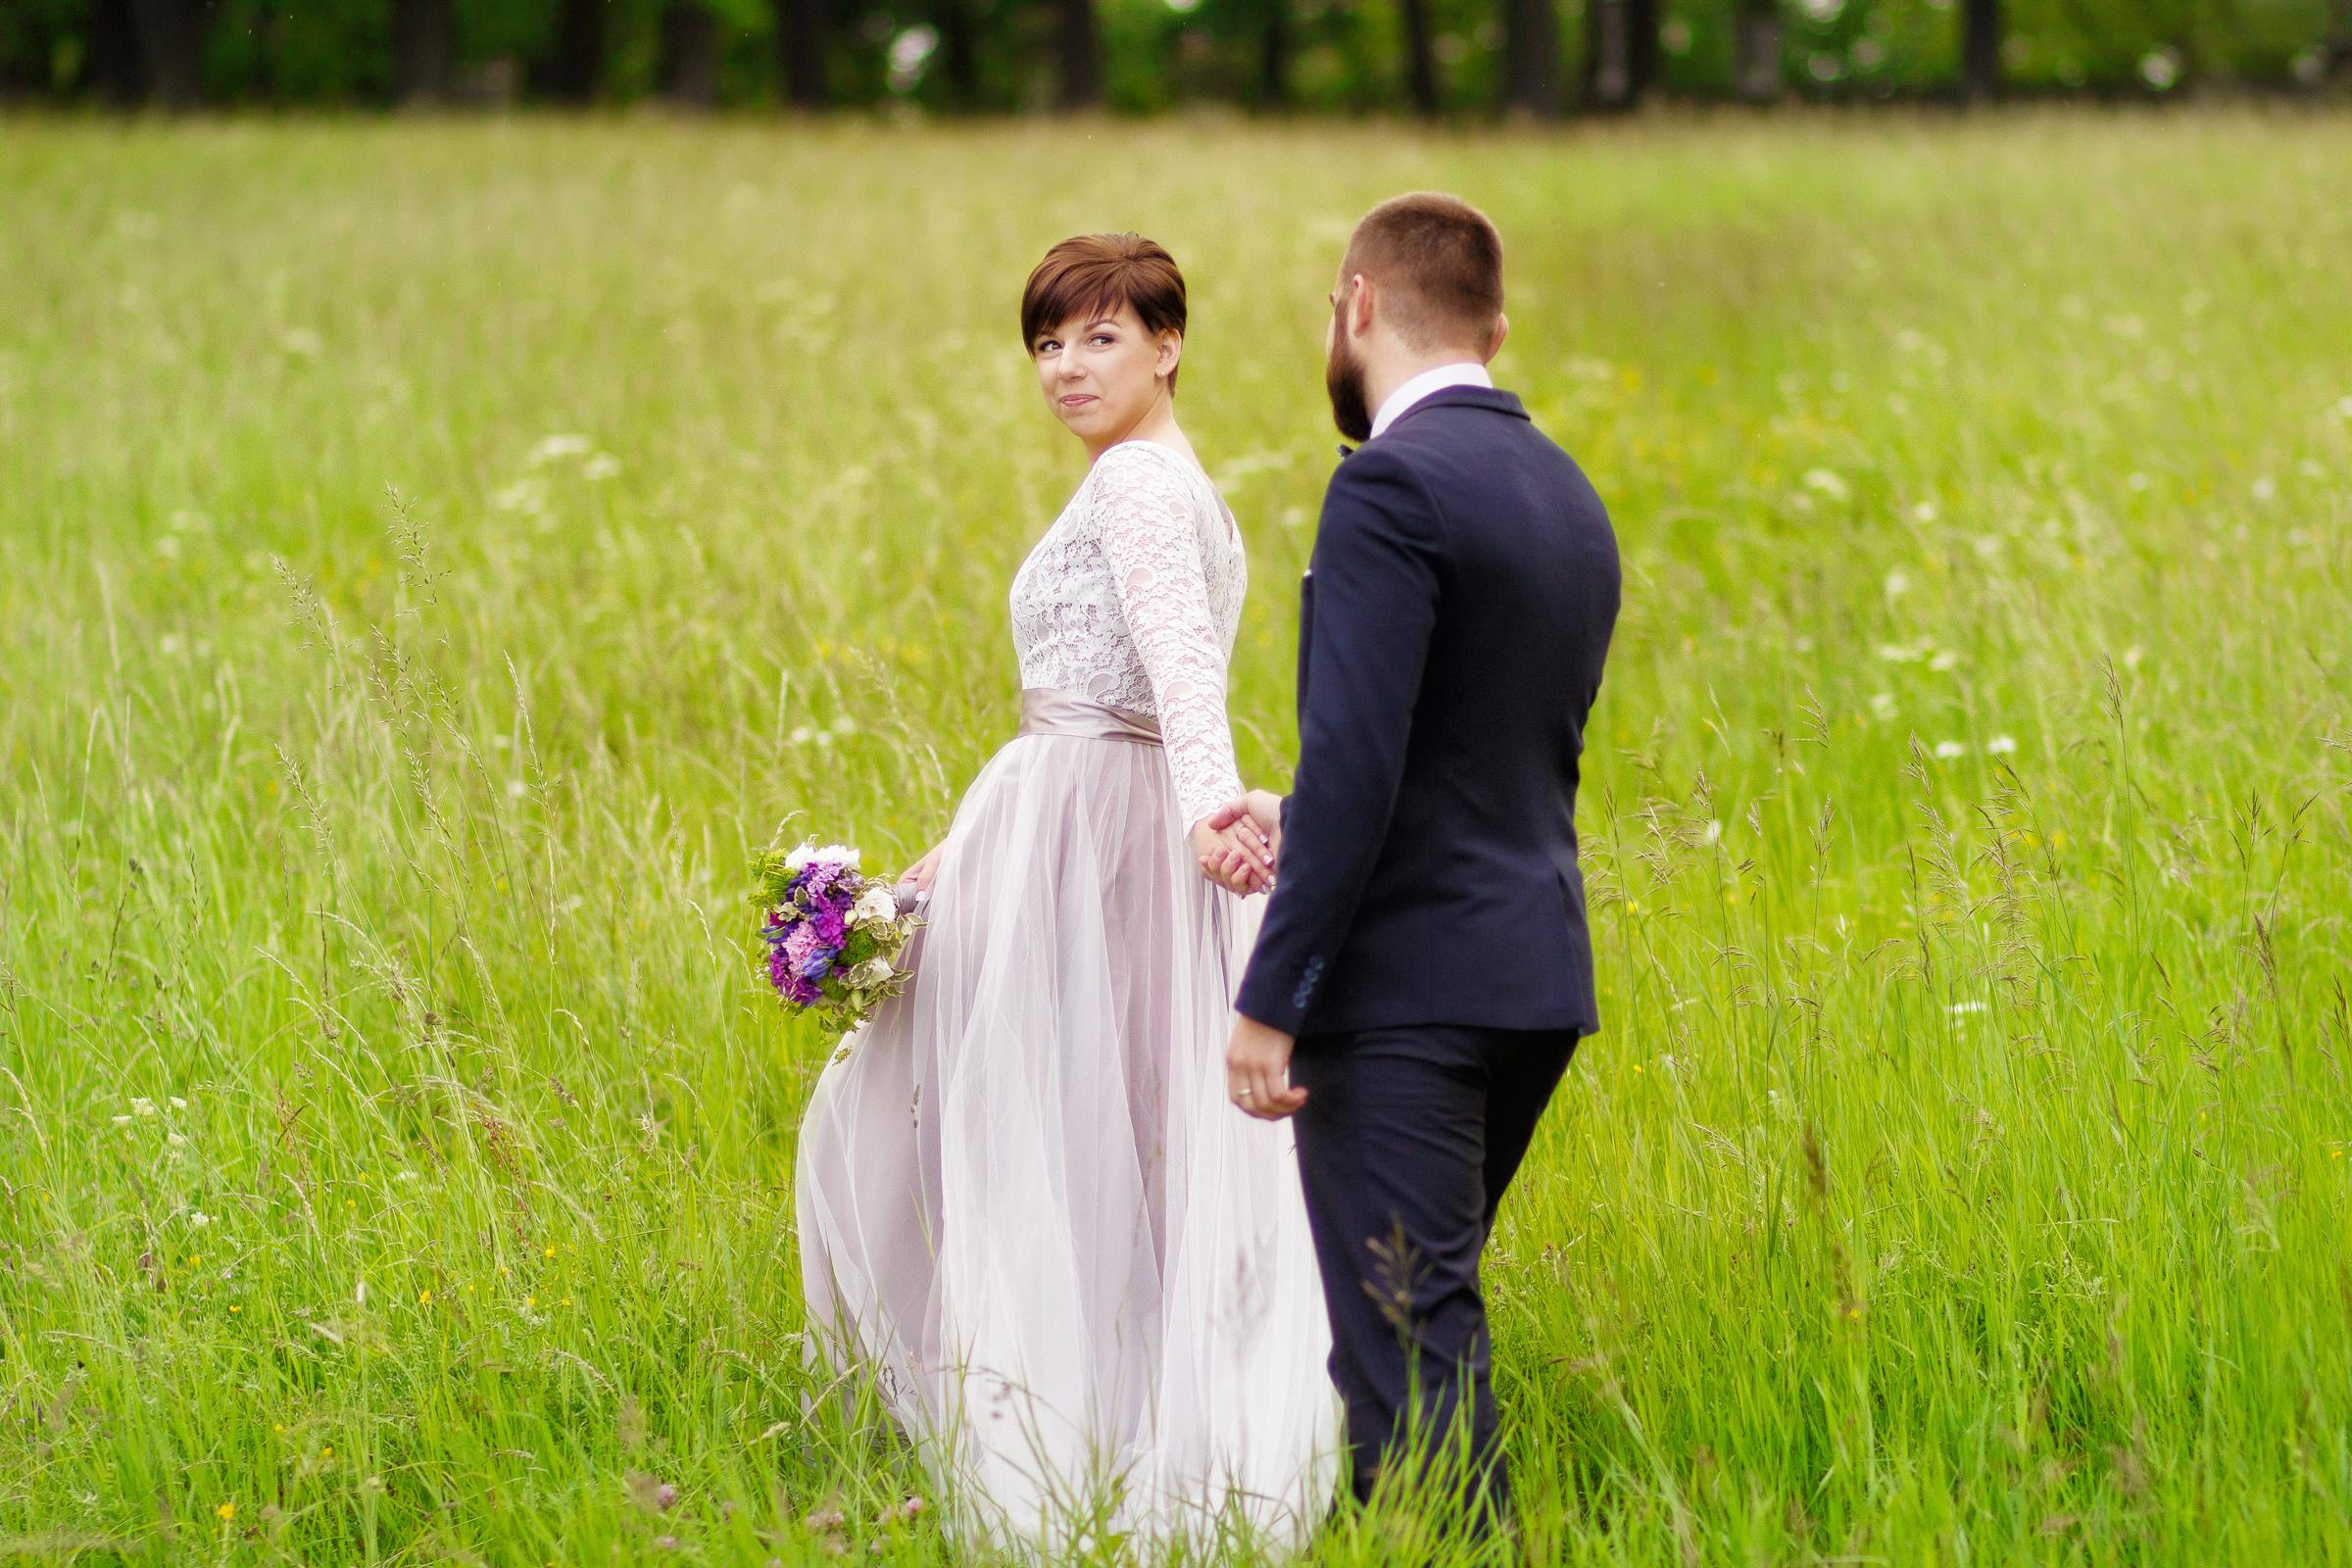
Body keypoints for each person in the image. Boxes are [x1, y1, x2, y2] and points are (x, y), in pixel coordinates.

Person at [796, 233, 1339, 1553]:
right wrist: (922, 880)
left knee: (1027, 1125)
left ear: (1169, 342)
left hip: (1107, 836)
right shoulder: (1143, 482)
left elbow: (1181, 671)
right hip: (1064, 826)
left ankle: (1054, 1442)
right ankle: (1089, 1417)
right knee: (1094, 1131)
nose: (1065, 366)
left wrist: (1215, 811)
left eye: (1099, 336)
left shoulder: (1143, 487)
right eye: (1047, 343)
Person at [1201, 193, 1621, 1527]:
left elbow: (1361, 766)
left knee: (1410, 1373)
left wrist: (1275, 1000)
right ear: (1495, 327)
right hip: (1532, 978)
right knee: (1408, 1335)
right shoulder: (1563, 487)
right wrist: (1305, 798)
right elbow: (1478, 744)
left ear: (1359, 306)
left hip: (1407, 1000)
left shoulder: (1387, 485)